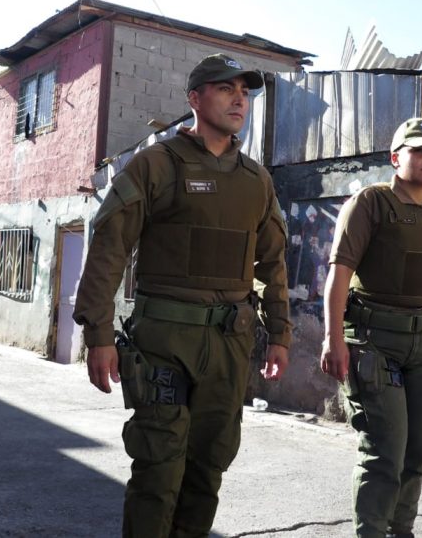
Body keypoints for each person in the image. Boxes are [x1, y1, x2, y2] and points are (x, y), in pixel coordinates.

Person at [73, 54, 292, 537]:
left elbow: (273, 263)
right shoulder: (158, 163)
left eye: (245, 91)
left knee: (207, 469)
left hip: (230, 344)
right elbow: (110, 246)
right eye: (224, 88)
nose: (239, 99)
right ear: (195, 98)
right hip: (164, 341)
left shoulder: (256, 180)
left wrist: (279, 332)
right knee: (159, 468)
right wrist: (98, 334)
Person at [320, 117, 422, 538]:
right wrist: (332, 338)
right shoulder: (369, 204)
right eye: (419, 150)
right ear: (396, 158)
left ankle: (401, 530)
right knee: (384, 452)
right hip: (376, 343)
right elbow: (339, 275)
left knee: (418, 451)